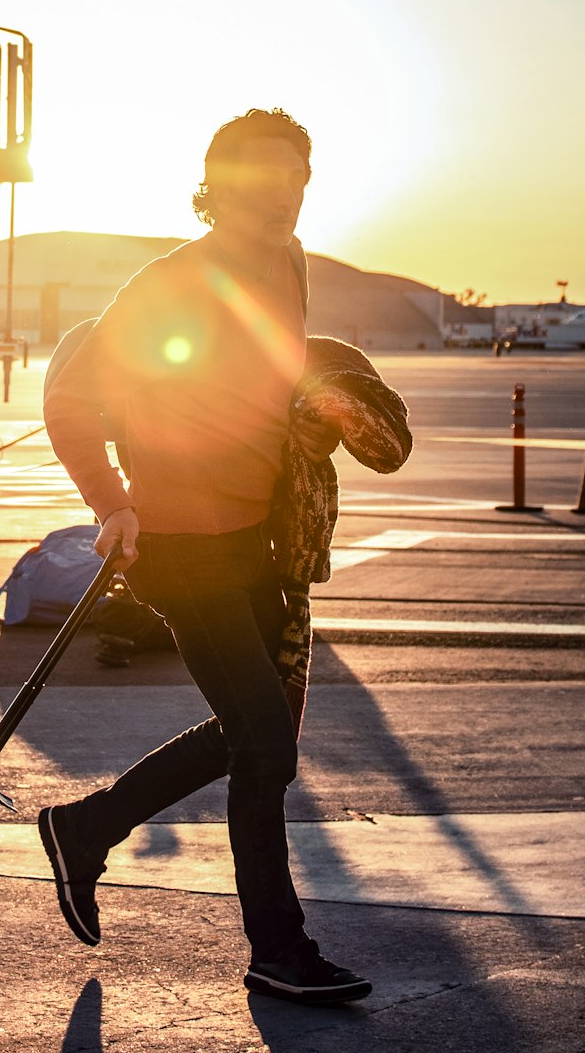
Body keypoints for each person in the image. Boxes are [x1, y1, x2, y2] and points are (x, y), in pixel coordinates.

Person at [40, 108, 397, 1005]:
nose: (284, 194)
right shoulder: (170, 284)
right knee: (268, 747)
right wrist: (112, 502)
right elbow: (72, 399)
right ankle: (277, 949)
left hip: (257, 545)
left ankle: (87, 827)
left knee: (254, 733)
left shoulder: (290, 260)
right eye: (262, 179)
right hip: (179, 548)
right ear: (217, 185)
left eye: (297, 177)